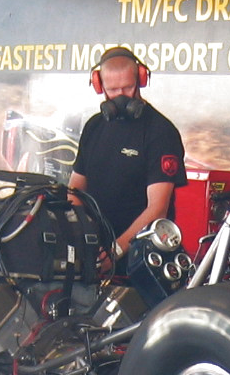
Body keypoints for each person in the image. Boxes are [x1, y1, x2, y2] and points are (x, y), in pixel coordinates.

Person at [69, 47, 187, 254]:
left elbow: (157, 208)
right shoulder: (93, 127)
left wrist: (116, 251)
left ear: (141, 80)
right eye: (113, 90)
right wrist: (86, 242)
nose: (120, 97)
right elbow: (75, 192)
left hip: (142, 254)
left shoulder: (160, 132)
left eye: (127, 88)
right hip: (98, 251)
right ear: (99, 85)